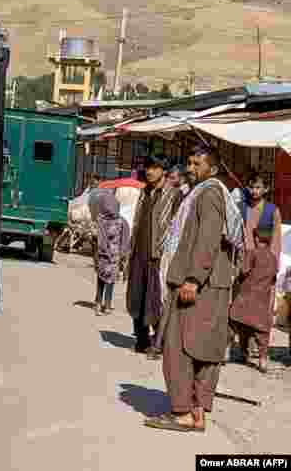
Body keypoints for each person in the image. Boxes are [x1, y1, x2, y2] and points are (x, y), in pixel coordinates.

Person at [146, 146, 243, 434]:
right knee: (202, 350)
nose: (190, 167)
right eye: (188, 162)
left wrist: (193, 279)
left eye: (196, 163)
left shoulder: (209, 193)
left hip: (200, 285)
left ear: (211, 169)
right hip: (208, 284)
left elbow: (208, 238)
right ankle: (197, 413)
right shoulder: (202, 192)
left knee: (178, 348)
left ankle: (184, 413)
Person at [127, 155, 182, 356]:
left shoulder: (174, 195)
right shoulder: (144, 192)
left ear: (164, 171)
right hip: (138, 253)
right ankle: (141, 339)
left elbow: (176, 228)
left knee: (157, 299)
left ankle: (158, 342)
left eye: (154, 167)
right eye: (148, 167)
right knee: (137, 296)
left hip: (158, 256)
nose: (149, 171)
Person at [229, 170, 281, 373]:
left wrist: (273, 267)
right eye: (251, 186)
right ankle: (242, 349)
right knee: (240, 308)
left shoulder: (272, 211)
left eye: (258, 187)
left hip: (262, 270)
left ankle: (259, 352)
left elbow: (276, 241)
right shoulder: (240, 207)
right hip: (241, 265)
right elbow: (233, 233)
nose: (254, 190)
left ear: (266, 189)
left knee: (260, 312)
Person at [149, 163, 188, 358]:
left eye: (173, 178)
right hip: (168, 253)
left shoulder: (181, 196)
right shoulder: (175, 195)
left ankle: (159, 344)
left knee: (169, 299)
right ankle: (158, 342)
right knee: (166, 299)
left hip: (175, 255)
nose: (170, 181)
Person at [93, 192, 131, 315]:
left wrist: (123, 255)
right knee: (105, 280)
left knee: (105, 280)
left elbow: (124, 239)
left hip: (109, 256)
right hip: (108, 255)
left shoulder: (104, 220)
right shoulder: (108, 220)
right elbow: (124, 240)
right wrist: (122, 254)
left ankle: (102, 304)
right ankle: (103, 304)